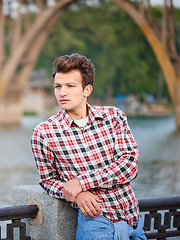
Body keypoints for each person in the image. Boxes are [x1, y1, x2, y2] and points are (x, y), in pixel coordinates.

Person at [31, 53, 147, 239]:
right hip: (96, 224)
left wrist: (82, 182)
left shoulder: (114, 117)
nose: (62, 93)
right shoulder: (44, 133)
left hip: (132, 220)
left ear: (87, 90)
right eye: (58, 86)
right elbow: (47, 180)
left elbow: (129, 165)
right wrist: (76, 195)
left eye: (70, 86)